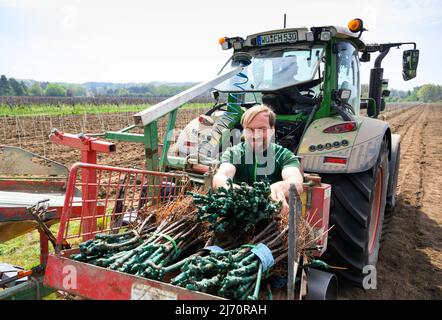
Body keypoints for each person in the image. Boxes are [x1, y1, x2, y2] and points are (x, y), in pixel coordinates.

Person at [212, 104, 303, 210]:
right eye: (249, 129)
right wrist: (230, 188)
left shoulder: (283, 155)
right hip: (240, 212)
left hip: (274, 215)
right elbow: (221, 176)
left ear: (272, 130)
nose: (256, 135)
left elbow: (296, 181)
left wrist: (278, 188)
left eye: (262, 129)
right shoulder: (234, 153)